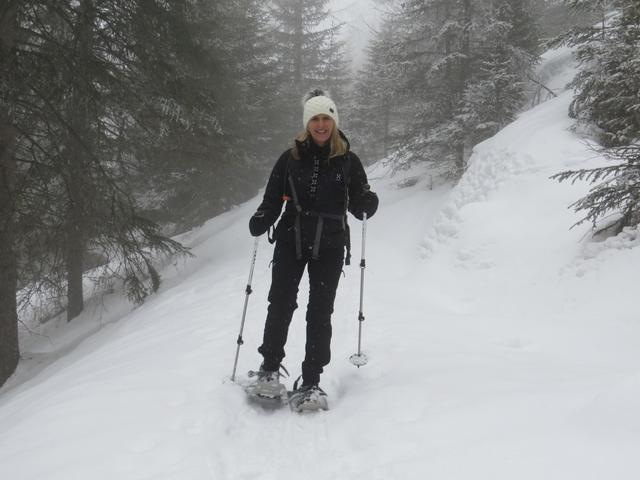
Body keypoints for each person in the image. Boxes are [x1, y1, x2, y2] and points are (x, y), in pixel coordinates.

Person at [247, 89, 379, 411]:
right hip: (292, 237)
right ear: (307, 124)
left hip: (331, 244)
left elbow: (360, 197)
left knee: (320, 312)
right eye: (315, 119)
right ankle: (269, 369)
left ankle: (311, 381)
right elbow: (272, 198)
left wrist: (367, 203)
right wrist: (263, 218)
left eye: (326, 119)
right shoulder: (289, 158)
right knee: (280, 302)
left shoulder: (348, 161)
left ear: (334, 122)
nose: (321, 125)